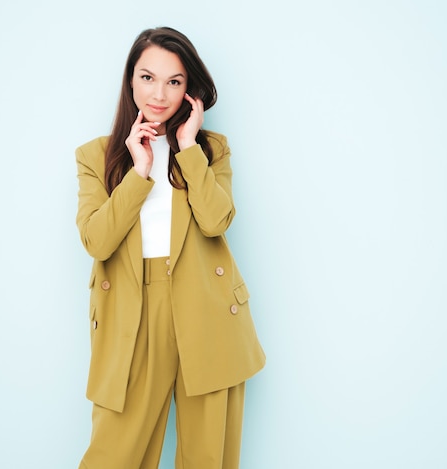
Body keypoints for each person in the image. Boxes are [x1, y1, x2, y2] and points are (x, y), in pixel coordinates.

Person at [75, 26, 265, 469]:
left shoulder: (210, 149)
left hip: (208, 309)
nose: (159, 93)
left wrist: (187, 149)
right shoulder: (96, 156)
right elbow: (96, 241)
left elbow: (218, 220)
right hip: (132, 311)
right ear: (130, 81)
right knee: (113, 455)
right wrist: (138, 174)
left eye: (174, 81)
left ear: (189, 90)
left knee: (206, 458)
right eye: (147, 78)